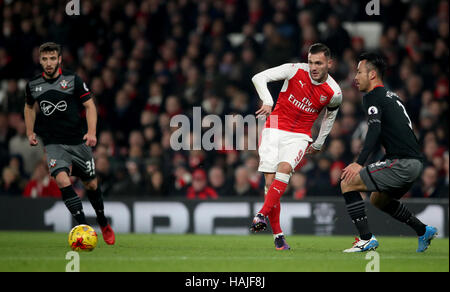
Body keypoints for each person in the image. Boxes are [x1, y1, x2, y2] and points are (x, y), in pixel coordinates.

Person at [340, 52, 437, 253]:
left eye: (359, 72)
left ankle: (366, 239)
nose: (355, 77)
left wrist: (360, 162)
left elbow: (374, 130)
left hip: (403, 162)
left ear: (372, 75)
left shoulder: (373, 96)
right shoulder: (391, 95)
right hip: (412, 163)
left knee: (348, 182)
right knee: (378, 199)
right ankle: (423, 230)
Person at [249, 43, 342, 250]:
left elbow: (329, 118)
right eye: (310, 62)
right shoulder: (294, 70)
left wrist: (319, 142)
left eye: (318, 63)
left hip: (299, 135)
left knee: (284, 169)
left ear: (329, 63)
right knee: (271, 182)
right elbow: (258, 77)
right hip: (273, 127)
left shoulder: (334, 92)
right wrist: (267, 100)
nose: (313, 67)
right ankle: (278, 236)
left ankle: (260, 215)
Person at [23, 42, 115, 245]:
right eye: (45, 59)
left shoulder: (72, 79)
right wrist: (30, 132)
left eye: (52, 58)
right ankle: (84, 227)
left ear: (60, 59)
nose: (48, 63)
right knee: (62, 180)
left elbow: (90, 105)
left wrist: (91, 133)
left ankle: (102, 221)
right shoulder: (33, 85)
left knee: (91, 184)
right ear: (40, 60)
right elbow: (29, 107)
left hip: (78, 142)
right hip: (54, 144)